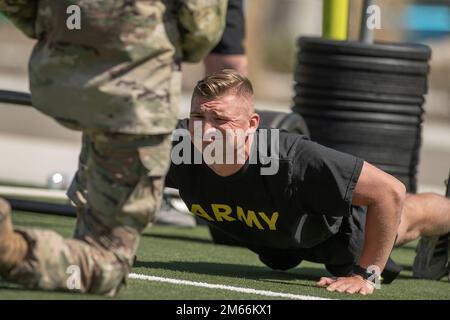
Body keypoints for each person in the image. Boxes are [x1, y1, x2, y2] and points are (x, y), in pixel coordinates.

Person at [0, 0, 227, 295]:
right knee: (107, 264)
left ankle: (88, 222)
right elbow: (201, 30)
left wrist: (62, 35)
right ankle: (11, 248)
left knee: (99, 138)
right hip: (134, 97)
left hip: (58, 82)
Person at [165, 69, 450, 295]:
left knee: (407, 216)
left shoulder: (291, 159)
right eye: (198, 116)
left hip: (338, 229)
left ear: (252, 124)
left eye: (220, 119)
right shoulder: (178, 147)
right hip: (278, 238)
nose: (207, 130)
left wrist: (366, 275)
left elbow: (390, 192)